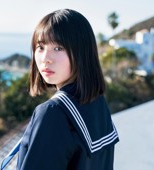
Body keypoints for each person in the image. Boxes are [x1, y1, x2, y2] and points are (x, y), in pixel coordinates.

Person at [16, 9, 119, 170]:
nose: (45, 59)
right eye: (40, 47)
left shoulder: (53, 112)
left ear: (81, 53)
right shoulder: (97, 103)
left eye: (58, 48)